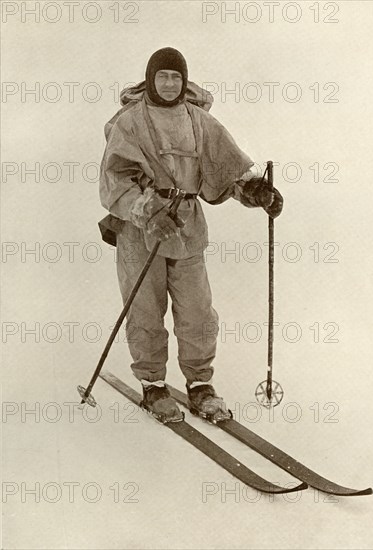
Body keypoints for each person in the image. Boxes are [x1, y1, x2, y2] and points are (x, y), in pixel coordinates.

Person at [99, 47, 283, 423]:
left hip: (186, 227)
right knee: (146, 309)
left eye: (176, 77)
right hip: (141, 231)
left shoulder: (198, 120)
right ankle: (153, 384)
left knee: (197, 311)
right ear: (151, 79)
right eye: (163, 76)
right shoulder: (130, 122)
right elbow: (115, 179)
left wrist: (254, 190)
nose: (169, 84)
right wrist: (149, 211)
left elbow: (228, 166)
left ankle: (200, 385)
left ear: (184, 81)